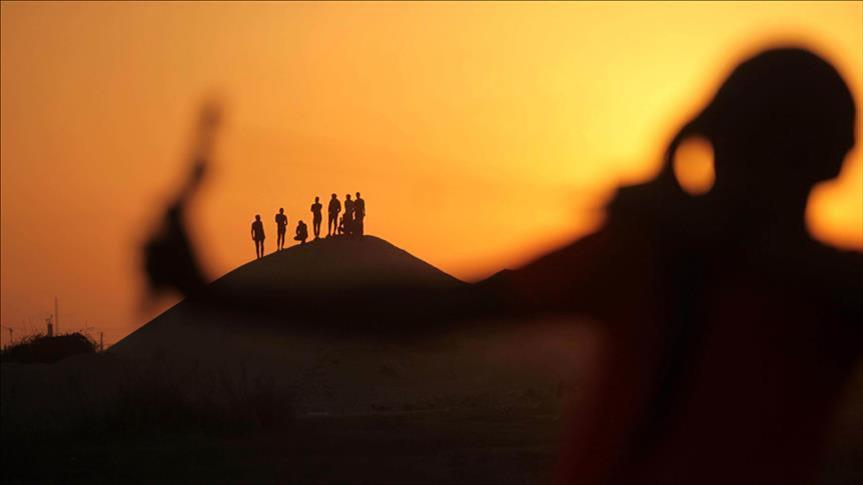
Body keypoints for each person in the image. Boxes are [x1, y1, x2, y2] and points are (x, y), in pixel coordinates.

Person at [485, 47, 862, 485]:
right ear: (839, 159)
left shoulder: (652, 253)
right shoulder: (655, 252)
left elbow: (453, 306)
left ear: (715, 140)